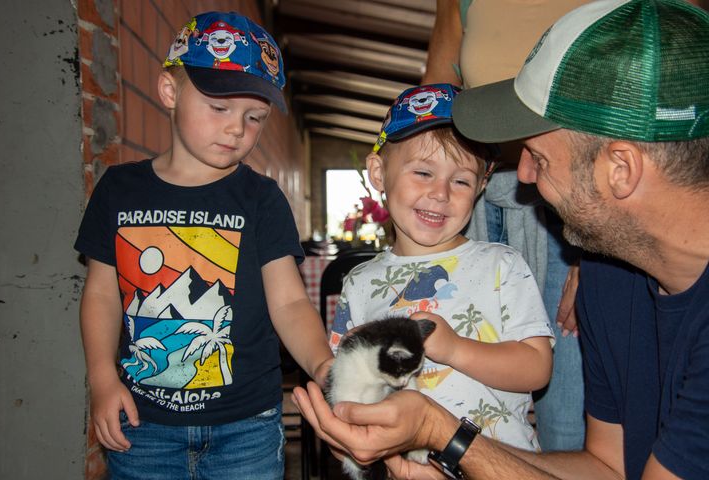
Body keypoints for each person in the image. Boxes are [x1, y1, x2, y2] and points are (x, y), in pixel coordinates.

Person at [293, 1, 709, 479]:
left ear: (621, 169)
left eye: (538, 156)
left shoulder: (511, 267)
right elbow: (604, 468)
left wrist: (441, 435)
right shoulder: (608, 280)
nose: (523, 178)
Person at [75, 11, 333, 479]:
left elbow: (290, 301)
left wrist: (324, 366)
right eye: (220, 108)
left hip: (247, 427)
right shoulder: (118, 191)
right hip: (143, 424)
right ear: (170, 92)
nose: (237, 128)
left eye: (254, 118)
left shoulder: (261, 198)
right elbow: (99, 293)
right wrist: (101, 378)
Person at [329, 83, 554, 451]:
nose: (441, 193)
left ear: (482, 185)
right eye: (423, 173)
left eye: (461, 180)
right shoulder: (359, 283)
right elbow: (345, 381)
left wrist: (454, 349)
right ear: (379, 172)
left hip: (499, 466)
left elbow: (537, 368)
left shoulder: (503, 266)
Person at [422, 0, 590, 452]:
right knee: (464, 388)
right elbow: (437, 96)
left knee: (563, 410)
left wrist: (597, 255)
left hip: (568, 198)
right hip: (476, 193)